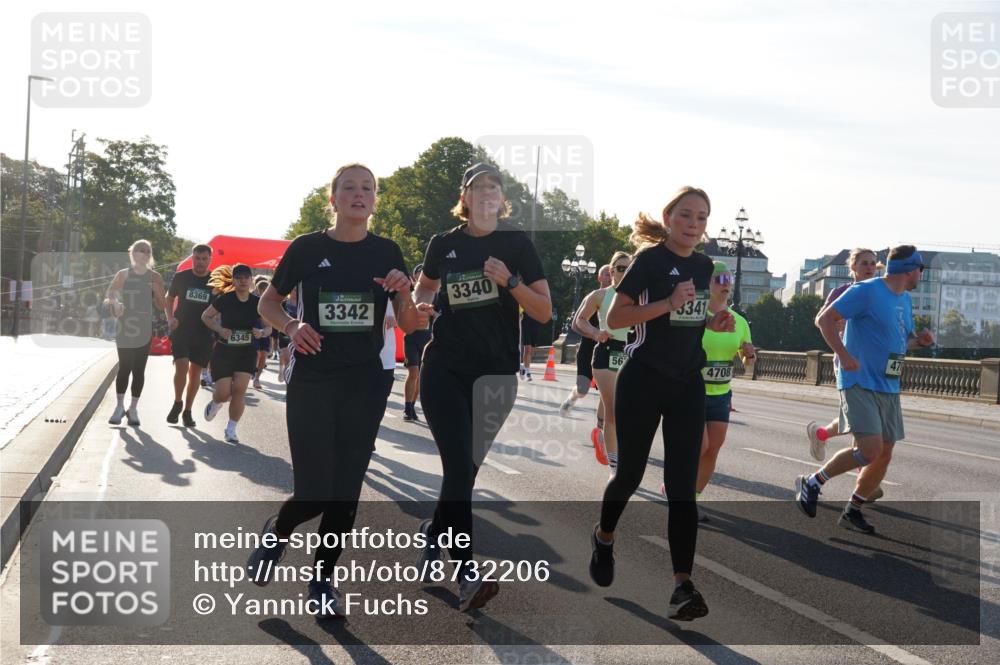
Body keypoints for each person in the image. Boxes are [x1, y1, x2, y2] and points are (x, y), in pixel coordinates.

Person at [248, 163, 421, 618]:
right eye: (349, 187)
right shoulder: (307, 248)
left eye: (367, 188)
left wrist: (404, 293)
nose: (359, 194)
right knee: (314, 492)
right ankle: (278, 532)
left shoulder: (387, 252)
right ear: (334, 198)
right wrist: (291, 326)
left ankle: (322, 581)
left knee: (345, 492)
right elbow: (268, 301)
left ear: (374, 200)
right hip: (314, 380)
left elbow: (407, 324)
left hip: (366, 383)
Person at [589, 187, 734, 622]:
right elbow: (615, 318)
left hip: (687, 383)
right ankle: (604, 537)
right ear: (669, 217)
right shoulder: (649, 261)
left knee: (682, 487)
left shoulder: (704, 266)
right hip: (643, 380)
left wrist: (712, 321)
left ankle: (682, 586)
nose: (694, 224)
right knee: (629, 475)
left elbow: (688, 319)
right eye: (686, 215)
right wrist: (667, 302)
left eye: (702, 217)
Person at [413, 162, 550, 612]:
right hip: (445, 368)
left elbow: (544, 311)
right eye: (478, 186)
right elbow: (425, 287)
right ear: (465, 197)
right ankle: (467, 574)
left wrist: (510, 282)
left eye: (495, 186)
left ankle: (434, 532)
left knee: (464, 473)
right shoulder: (444, 244)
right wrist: (421, 303)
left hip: (495, 376)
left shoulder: (516, 244)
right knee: (458, 468)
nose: (487, 192)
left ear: (502, 199)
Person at [795, 245, 933, 534]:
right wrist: (844, 355)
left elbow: (900, 341)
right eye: (921, 269)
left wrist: (919, 342)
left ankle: (853, 510)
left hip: (889, 385)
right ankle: (812, 482)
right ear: (910, 269)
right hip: (859, 381)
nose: (922, 274)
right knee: (870, 451)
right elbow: (824, 320)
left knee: (884, 453)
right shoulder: (867, 290)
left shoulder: (905, 299)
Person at [692, 262, 754, 513]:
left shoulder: (739, 322)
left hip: (721, 394)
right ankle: (678, 491)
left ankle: (692, 497)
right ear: (707, 284)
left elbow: (746, 362)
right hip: (692, 391)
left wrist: (749, 355)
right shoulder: (696, 316)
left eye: (729, 279)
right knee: (700, 446)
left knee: (713, 449)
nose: (726, 284)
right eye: (719, 279)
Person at [806, 248, 879, 460]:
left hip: (873, 363)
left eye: (873, 264)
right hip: (847, 360)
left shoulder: (879, 294)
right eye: (864, 263)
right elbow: (820, 319)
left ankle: (821, 434)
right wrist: (838, 321)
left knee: (862, 419)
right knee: (863, 422)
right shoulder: (842, 292)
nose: (870, 267)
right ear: (853, 267)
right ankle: (863, 473)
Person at [573, 252, 632, 472]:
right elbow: (579, 319)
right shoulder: (600, 295)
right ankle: (615, 467)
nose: (625, 272)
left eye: (629, 269)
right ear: (611, 271)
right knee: (614, 410)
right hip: (607, 352)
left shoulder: (640, 295)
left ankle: (605, 438)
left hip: (632, 354)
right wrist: (595, 333)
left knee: (632, 411)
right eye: (621, 268)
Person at [199, 264, 269, 443]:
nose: (243, 280)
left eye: (246, 277)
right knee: (223, 394)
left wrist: (262, 332)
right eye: (239, 277)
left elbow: (269, 327)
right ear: (234, 280)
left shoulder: (257, 302)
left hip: (246, 352)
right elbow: (205, 316)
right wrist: (219, 329)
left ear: (251, 280)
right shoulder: (225, 299)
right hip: (224, 351)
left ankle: (231, 429)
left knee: (239, 391)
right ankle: (216, 403)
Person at [107, 240, 166, 427]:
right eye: (141, 250)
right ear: (133, 253)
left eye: (148, 251)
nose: (145, 253)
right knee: (125, 366)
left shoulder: (155, 276)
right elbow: (111, 293)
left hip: (144, 326)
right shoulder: (123, 274)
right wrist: (116, 303)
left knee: (139, 369)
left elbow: (162, 306)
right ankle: (119, 407)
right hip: (125, 324)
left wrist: (157, 292)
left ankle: (133, 408)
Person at [560, 265, 612, 457]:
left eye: (611, 272)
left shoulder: (619, 297)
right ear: (599, 277)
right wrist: (594, 334)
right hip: (588, 349)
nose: (609, 275)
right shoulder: (593, 296)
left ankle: (601, 431)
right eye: (605, 273)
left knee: (606, 392)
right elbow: (576, 324)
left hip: (607, 350)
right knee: (582, 390)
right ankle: (571, 399)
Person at [165, 244, 214, 427]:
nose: (200, 262)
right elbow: (169, 298)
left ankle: (187, 411)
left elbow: (221, 307)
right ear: (192, 258)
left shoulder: (215, 281)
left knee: (195, 373)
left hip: (204, 333)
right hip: (182, 329)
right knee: (181, 367)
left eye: (204, 259)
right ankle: (178, 402)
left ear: (209, 260)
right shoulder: (181, 277)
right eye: (197, 258)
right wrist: (170, 318)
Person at [402, 264, 432, 422]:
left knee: (420, 375)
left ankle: (412, 405)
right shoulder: (410, 293)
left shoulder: (435, 293)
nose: (422, 277)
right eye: (419, 275)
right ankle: (407, 407)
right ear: (415, 277)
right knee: (413, 372)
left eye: (424, 274)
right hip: (411, 337)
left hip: (427, 338)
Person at [252, 276, 272, 390]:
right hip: (253, 328)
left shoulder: (269, 302)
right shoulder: (251, 298)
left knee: (263, 354)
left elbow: (269, 325)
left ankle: (257, 378)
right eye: (261, 289)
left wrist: (263, 332)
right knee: (257, 354)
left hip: (263, 329)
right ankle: (252, 371)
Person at [519, 309, 542, 380]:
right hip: (526, 321)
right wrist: (520, 313)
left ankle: (523, 367)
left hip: (536, 322)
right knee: (527, 349)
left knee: (531, 351)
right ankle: (528, 372)